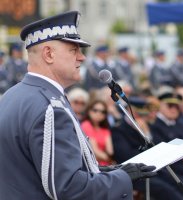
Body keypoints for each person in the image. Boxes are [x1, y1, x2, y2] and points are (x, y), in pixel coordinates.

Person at [0, 11, 156, 200]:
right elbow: (68, 188)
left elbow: (39, 171)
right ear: (48, 54)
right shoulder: (50, 107)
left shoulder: (13, 96)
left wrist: (110, 171)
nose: (82, 57)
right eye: (74, 50)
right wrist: (121, 179)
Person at [81, 99, 114, 166]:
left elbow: (110, 151)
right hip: (92, 165)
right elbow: (94, 151)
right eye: (95, 110)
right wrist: (110, 160)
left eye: (103, 112)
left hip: (105, 164)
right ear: (89, 111)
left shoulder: (105, 129)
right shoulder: (86, 125)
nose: (99, 113)